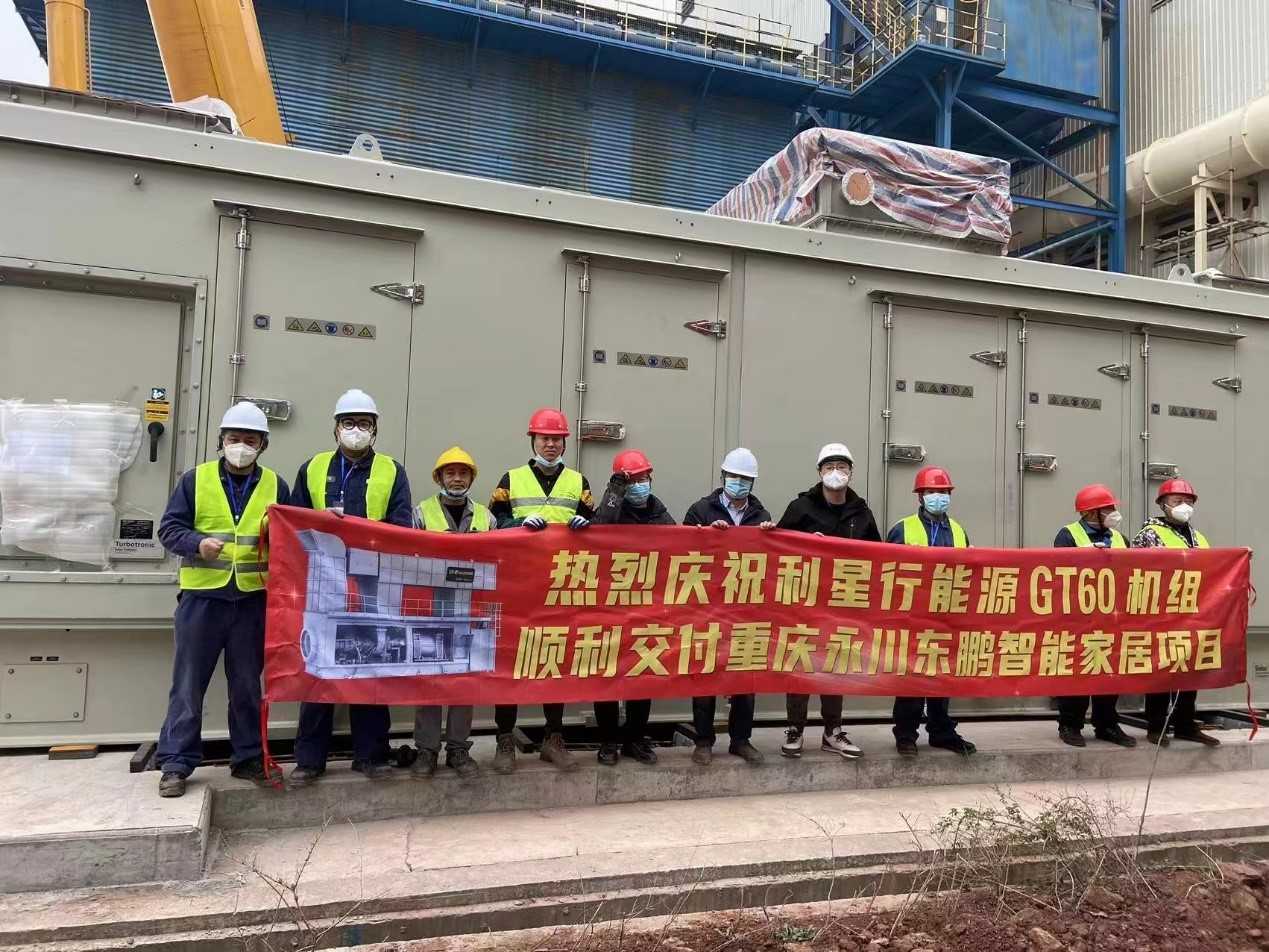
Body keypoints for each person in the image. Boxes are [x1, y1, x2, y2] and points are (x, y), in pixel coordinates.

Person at [155, 402, 287, 797]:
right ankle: (176, 763)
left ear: (263, 445)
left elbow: (292, 535)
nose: (241, 446)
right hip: (202, 599)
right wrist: (197, 543)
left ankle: (248, 758)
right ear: (221, 441)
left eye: (250, 440)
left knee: (246, 685)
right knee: (188, 684)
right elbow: (169, 529)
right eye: (234, 438)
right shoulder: (195, 481)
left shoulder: (277, 486)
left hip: (251, 600)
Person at [287, 389, 415, 787]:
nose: (355, 430)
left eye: (363, 424)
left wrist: (358, 531)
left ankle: (371, 755)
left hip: (372, 585)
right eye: (348, 423)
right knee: (318, 667)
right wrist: (322, 523)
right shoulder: (312, 468)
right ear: (335, 428)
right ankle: (309, 760)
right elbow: (294, 523)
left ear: (375, 430)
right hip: (322, 584)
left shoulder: (392, 471)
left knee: (371, 666)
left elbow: (402, 527)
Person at [487, 408, 595, 773]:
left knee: (554, 658)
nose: (551, 444)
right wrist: (517, 522)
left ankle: (553, 737)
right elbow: (493, 522)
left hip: (560, 586)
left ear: (565, 443)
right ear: (533, 440)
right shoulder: (511, 479)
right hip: (518, 584)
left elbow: (597, 529)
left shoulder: (579, 482)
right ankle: (505, 738)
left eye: (557, 439)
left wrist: (587, 526)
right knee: (511, 659)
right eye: (545, 438)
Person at [777, 443, 879, 761]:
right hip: (804, 603)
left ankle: (832, 731)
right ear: (820, 472)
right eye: (829, 467)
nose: (836, 473)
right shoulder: (801, 508)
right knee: (801, 663)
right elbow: (778, 549)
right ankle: (795, 729)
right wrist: (806, 545)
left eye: (842, 467)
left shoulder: (861, 513)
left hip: (842, 604)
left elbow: (878, 556)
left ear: (851, 472)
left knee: (834, 666)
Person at [682, 447, 774, 766]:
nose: (739, 482)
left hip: (744, 608)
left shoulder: (760, 515)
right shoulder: (701, 510)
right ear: (723, 476)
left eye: (745, 478)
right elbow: (681, 550)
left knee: (745, 677)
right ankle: (703, 740)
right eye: (734, 476)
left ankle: (741, 740)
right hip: (707, 606)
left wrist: (769, 536)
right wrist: (707, 537)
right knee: (705, 673)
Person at [410, 446, 492, 781]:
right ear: (439, 478)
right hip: (432, 610)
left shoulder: (487, 518)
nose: (457, 479)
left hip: (471, 612)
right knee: (430, 681)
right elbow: (408, 558)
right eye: (450, 473)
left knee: (464, 682)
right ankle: (427, 750)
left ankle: (458, 748)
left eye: (463, 473)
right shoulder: (421, 513)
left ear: (471, 478)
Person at [885, 466, 976, 758]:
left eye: (944, 492)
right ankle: (905, 735)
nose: (939, 496)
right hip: (912, 617)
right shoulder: (903, 528)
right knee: (911, 678)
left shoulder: (958, 530)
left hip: (947, 616)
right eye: (932, 492)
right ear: (920, 496)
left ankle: (941, 732)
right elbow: (886, 570)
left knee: (942, 678)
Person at [591, 449, 673, 766]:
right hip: (611, 607)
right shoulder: (612, 510)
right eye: (632, 480)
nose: (640, 485)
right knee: (607, 676)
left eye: (643, 478)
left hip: (647, 609)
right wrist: (615, 490)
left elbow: (680, 548)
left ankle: (635, 739)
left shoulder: (659, 513)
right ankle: (608, 741)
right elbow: (599, 530)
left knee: (643, 674)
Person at [1132, 478, 1220, 748]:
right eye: (1178, 501)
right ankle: (1157, 726)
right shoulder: (1149, 534)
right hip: (1161, 615)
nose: (1185, 506)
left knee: (1190, 671)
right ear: (1163, 504)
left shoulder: (1198, 537)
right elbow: (1135, 572)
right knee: (1161, 671)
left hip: (1192, 614)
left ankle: (1185, 724)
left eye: (1189, 501)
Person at [1053, 484, 1136, 749]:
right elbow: (1060, 573)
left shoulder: (1120, 539)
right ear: (1091, 513)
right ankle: (1070, 724)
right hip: (1078, 618)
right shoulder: (1068, 535)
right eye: (1107, 509)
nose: (1113, 513)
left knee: (1110, 672)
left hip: (1113, 617)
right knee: (1076, 673)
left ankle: (1107, 724)